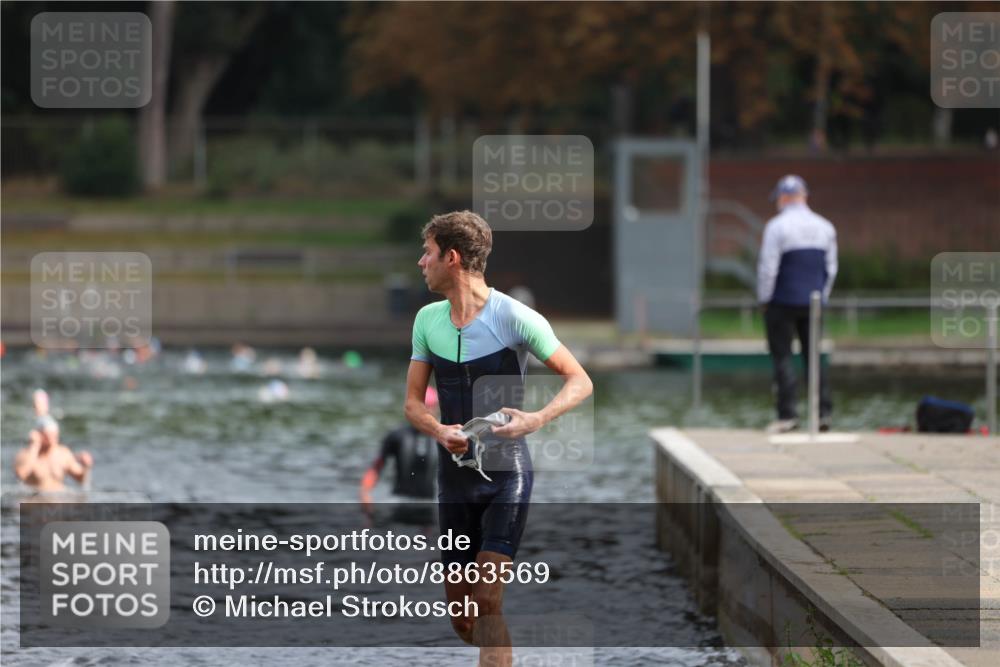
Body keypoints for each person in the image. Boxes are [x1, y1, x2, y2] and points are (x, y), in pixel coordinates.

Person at [404, 211, 592, 666]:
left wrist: (535, 419)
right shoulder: (428, 320)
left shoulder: (515, 316)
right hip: (455, 481)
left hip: (507, 475)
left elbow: (580, 381)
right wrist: (438, 429)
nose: (420, 262)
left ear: (451, 258)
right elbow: (413, 404)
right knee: (465, 617)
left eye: (427, 252)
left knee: (489, 600)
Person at [757, 175, 837, 434]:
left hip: (782, 300)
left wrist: (764, 298)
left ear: (783, 198)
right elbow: (831, 269)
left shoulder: (776, 226)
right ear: (804, 197)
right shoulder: (825, 227)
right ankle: (823, 413)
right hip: (813, 302)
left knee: (782, 357)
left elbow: (768, 268)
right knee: (813, 357)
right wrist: (822, 297)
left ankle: (787, 416)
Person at [360, 387, 440, 506]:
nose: (427, 412)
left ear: (437, 408)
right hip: (399, 502)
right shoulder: (398, 436)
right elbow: (377, 466)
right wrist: (365, 493)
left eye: (431, 407)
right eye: (424, 407)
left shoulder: (442, 438)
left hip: (428, 504)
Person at [14, 390, 93, 492]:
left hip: (58, 501)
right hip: (36, 502)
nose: (53, 439)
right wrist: (34, 446)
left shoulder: (62, 453)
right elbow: (21, 475)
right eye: (49, 436)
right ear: (40, 435)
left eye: (55, 435)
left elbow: (80, 479)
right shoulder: (26, 454)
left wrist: (86, 466)